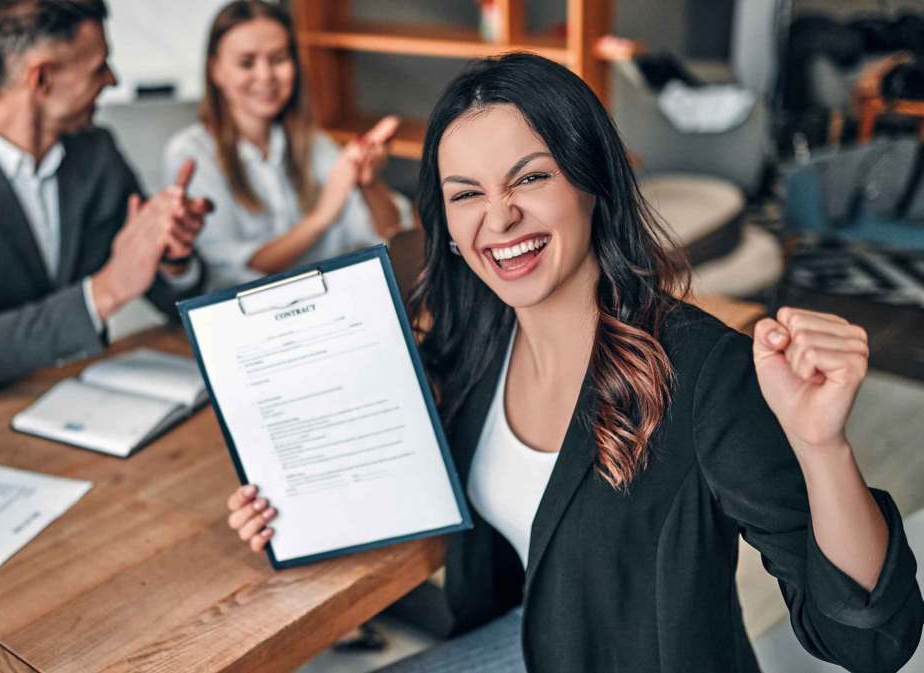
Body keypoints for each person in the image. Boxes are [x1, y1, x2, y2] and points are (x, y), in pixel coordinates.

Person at [225, 54, 923, 672]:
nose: (497, 218)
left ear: (591, 181)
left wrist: (822, 446)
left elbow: (871, 642)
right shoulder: (475, 338)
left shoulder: (706, 373)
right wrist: (288, 503)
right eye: (466, 193)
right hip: (525, 641)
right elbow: (395, 464)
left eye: (529, 178)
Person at [0, 0, 211, 396]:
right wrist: (104, 291)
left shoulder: (97, 151)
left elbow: (170, 299)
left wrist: (172, 257)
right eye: (99, 67)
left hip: (101, 396)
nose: (113, 80)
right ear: (42, 79)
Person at [163, 0, 412, 290]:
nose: (266, 76)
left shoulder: (315, 144)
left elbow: (392, 232)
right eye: (247, 63)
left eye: (279, 59)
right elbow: (235, 269)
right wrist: (322, 216)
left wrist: (369, 185)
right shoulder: (190, 154)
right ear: (216, 70)